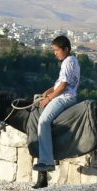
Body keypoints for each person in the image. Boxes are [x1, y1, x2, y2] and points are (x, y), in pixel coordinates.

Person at [33, 36, 80, 172]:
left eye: (57, 50)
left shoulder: (67, 62)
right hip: (64, 94)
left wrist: (48, 99)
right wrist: (48, 92)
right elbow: (60, 83)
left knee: (43, 121)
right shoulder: (72, 60)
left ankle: (47, 161)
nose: (55, 53)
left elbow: (63, 86)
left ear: (66, 49)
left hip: (64, 97)